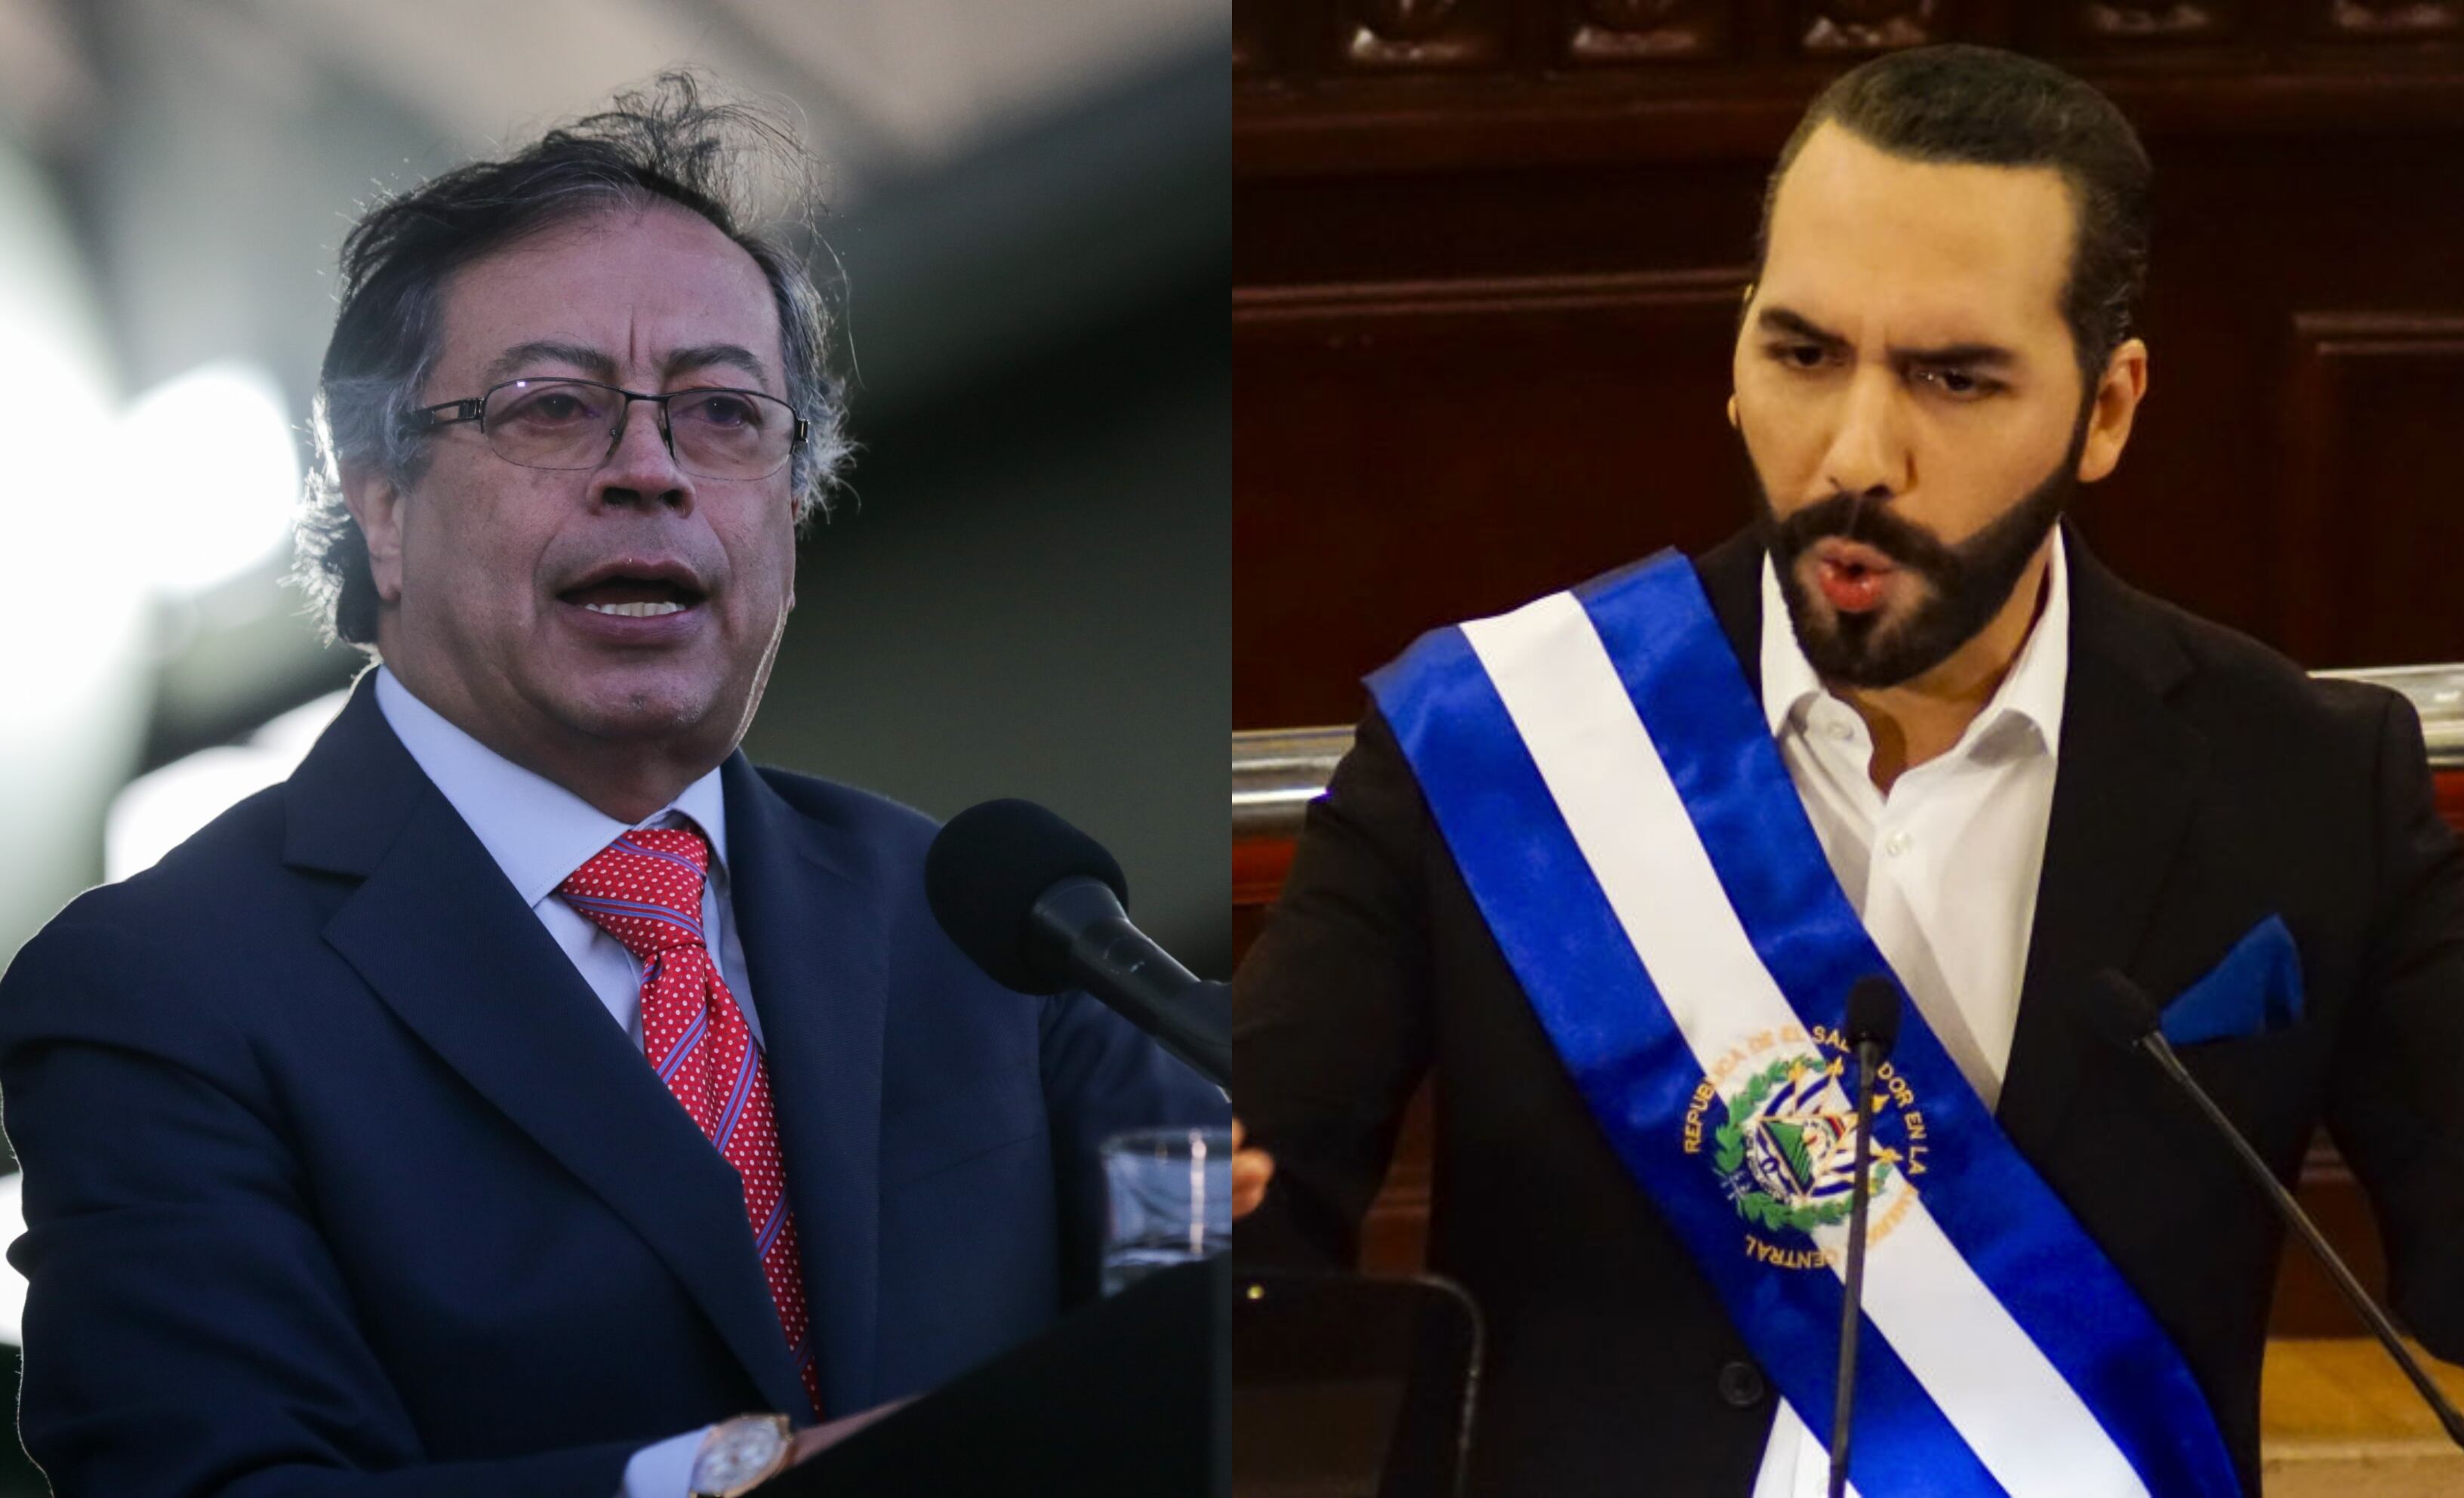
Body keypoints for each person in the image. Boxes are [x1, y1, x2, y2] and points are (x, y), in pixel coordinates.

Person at [1232, 44, 2464, 1498]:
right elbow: (1235, 1216)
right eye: (1806, 355)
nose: (1856, 453)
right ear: (1738, 361)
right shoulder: (1497, 745)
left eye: (1954, 377)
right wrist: (1153, 1200)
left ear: (2111, 407)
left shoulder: (2310, 779)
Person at [0, 76, 1222, 1498]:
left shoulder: (998, 927)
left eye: (720, 413)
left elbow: (1206, 1348)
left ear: (790, 500)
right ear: (381, 505)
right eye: (552, 407)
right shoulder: (158, 992)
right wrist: (732, 1480)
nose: (649, 471)